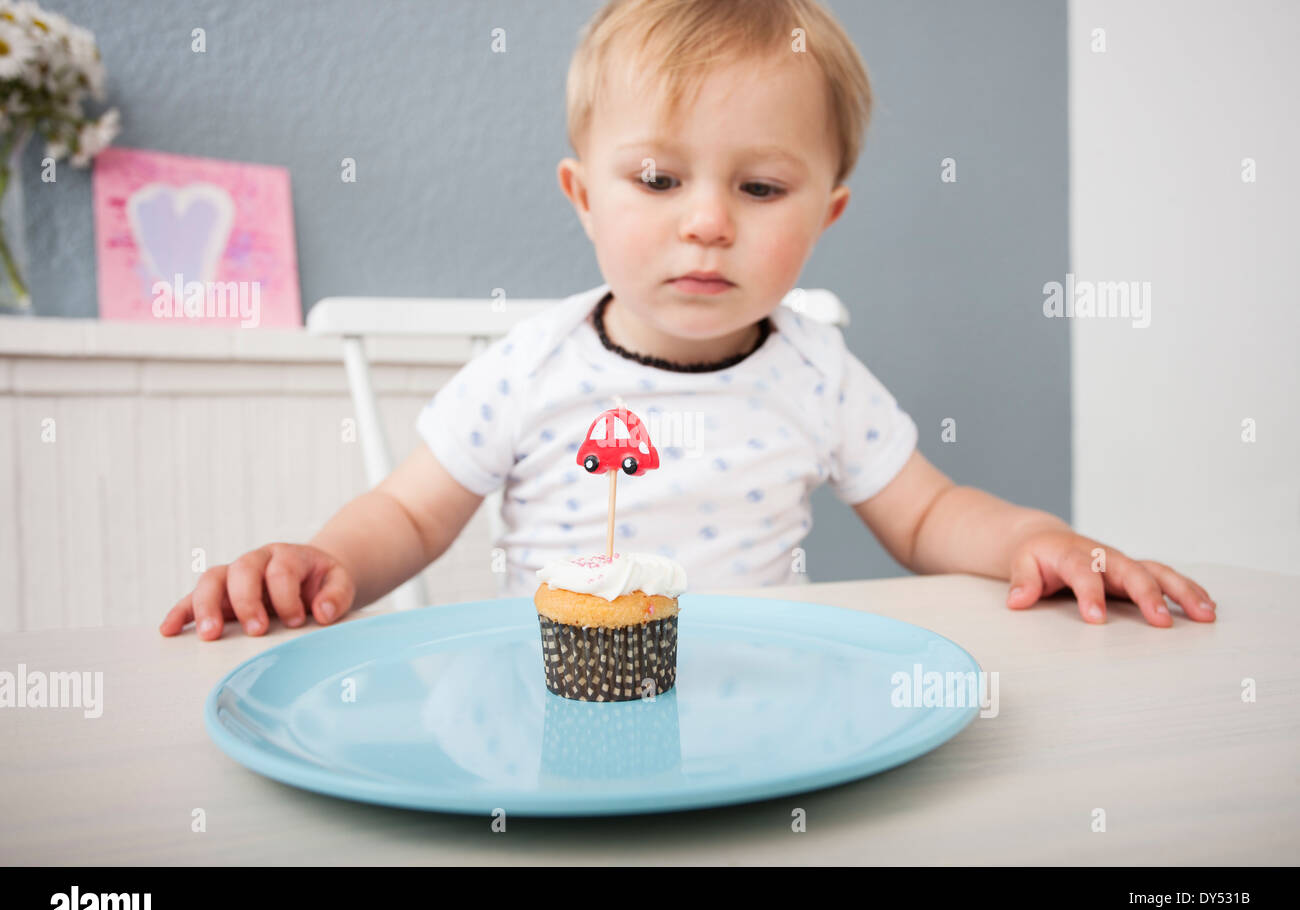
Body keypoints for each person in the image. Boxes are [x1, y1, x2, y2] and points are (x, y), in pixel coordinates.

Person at [160, 0, 1215, 640]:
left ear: (825, 213)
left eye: (760, 189)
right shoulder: (529, 369)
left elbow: (930, 519)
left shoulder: (816, 371)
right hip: (561, 701)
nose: (707, 222)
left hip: (761, 707)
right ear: (582, 194)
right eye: (659, 178)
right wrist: (315, 560)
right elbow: (406, 516)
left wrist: (1044, 539)